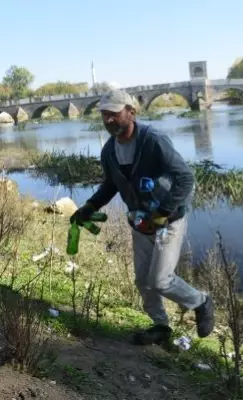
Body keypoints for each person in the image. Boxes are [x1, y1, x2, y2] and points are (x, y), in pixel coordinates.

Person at [71, 89, 214, 345]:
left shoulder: (153, 140)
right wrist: (90, 207)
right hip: (140, 222)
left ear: (131, 113)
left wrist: (161, 213)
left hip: (168, 219)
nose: (108, 120)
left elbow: (185, 178)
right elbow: (111, 185)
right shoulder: (109, 152)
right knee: (143, 281)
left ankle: (201, 301)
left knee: (160, 280)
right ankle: (160, 326)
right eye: (104, 115)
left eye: (113, 114)